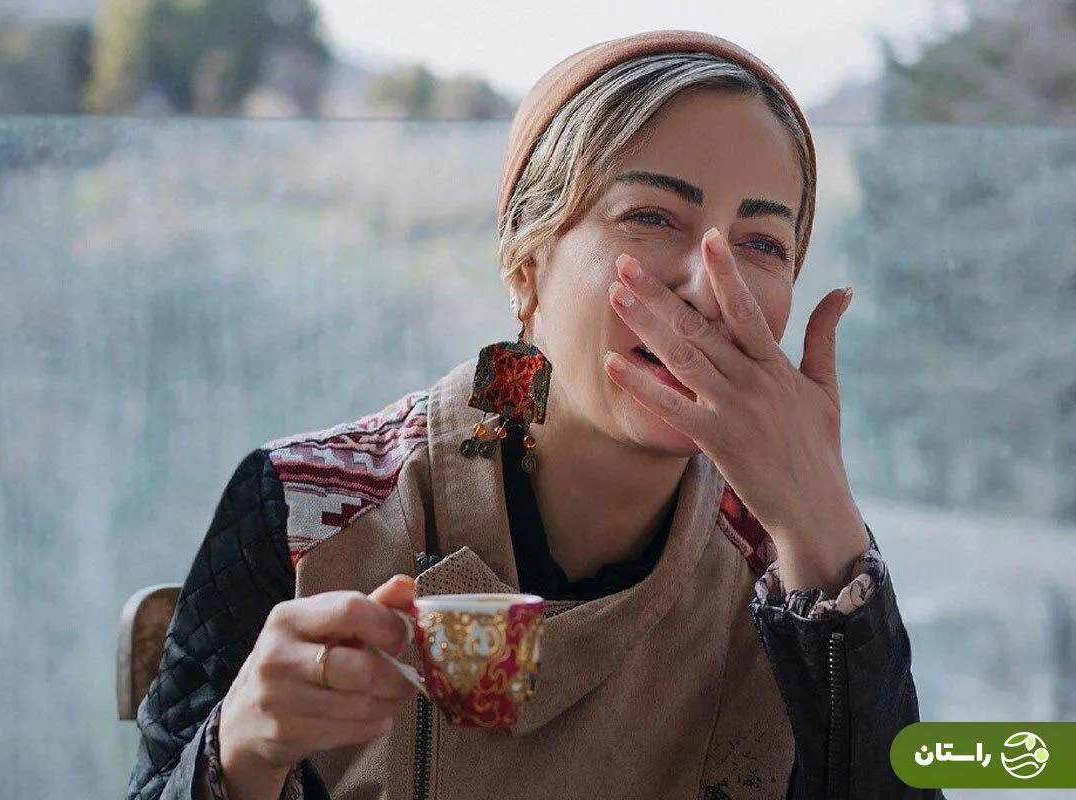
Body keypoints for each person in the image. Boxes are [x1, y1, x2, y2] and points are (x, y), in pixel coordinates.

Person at [126, 30, 941, 800]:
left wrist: (828, 534)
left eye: (761, 243)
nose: (708, 288)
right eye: (653, 217)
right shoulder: (308, 509)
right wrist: (242, 746)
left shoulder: (794, 562)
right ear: (526, 265)